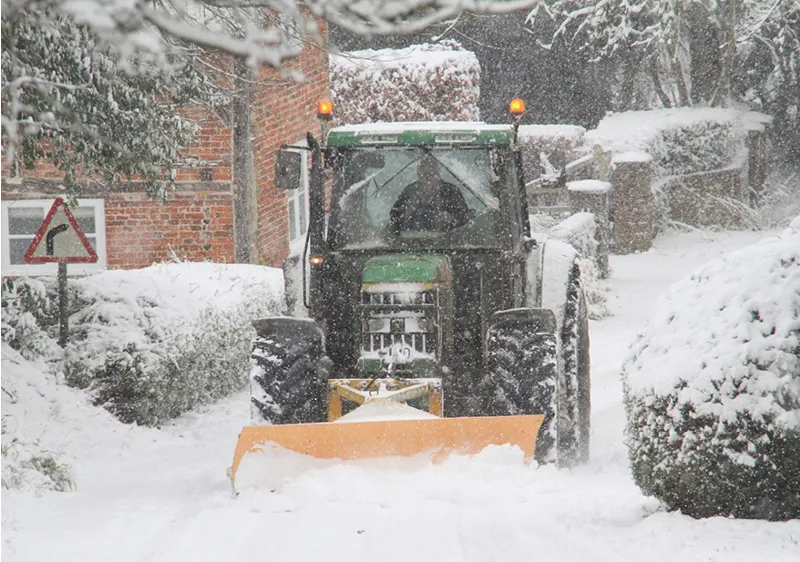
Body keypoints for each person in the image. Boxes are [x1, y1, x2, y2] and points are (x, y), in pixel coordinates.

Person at [389, 155, 471, 234]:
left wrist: (452, 219)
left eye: (431, 174)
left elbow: (465, 220)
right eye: (424, 174)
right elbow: (394, 215)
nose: (427, 178)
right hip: (412, 240)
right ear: (418, 174)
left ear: (438, 174)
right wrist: (407, 213)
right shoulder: (410, 190)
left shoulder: (451, 191)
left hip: (445, 241)